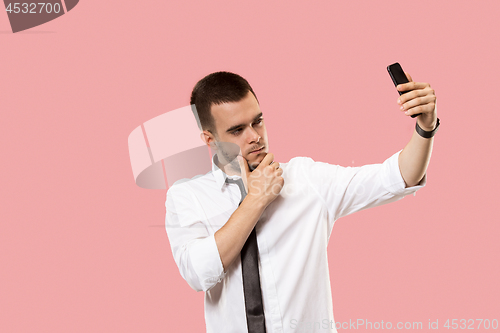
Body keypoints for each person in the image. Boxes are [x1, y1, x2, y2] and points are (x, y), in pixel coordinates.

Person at [165, 71, 438, 333]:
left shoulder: (306, 180)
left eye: (257, 121)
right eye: (237, 130)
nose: (255, 136)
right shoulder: (187, 197)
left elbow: (397, 177)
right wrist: (255, 201)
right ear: (210, 140)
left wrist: (425, 128)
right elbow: (198, 273)